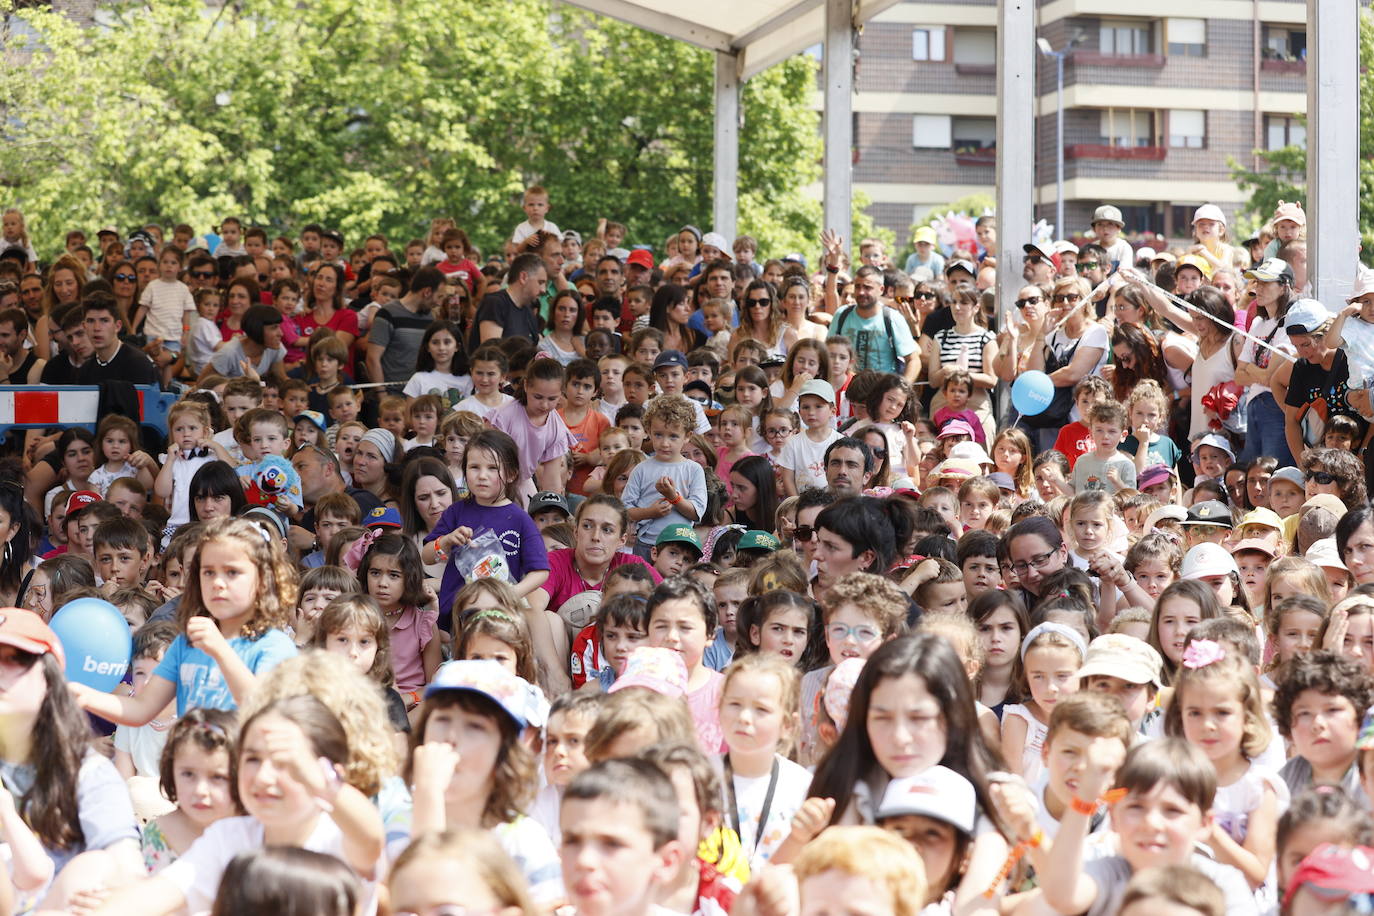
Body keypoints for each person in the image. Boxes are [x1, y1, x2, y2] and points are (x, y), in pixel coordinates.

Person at [366, 266, 444, 392]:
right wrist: (382, 395)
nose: (439, 303)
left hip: (420, 394)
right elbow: (372, 359)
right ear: (427, 292)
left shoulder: (430, 317)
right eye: (439, 296)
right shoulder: (387, 313)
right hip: (393, 396)